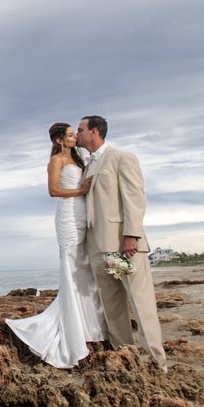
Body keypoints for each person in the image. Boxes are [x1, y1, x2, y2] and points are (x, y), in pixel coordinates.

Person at [5, 122, 108, 368]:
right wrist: (80, 189)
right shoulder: (56, 161)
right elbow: (53, 191)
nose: (75, 138)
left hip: (83, 214)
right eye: (71, 135)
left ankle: (88, 325)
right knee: (72, 268)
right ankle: (73, 332)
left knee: (84, 269)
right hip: (68, 215)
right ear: (60, 140)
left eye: (75, 134)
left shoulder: (80, 158)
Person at [76, 115, 167, 372]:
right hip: (96, 245)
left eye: (81, 129)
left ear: (95, 132)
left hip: (123, 243)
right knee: (112, 304)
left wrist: (131, 236)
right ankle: (125, 356)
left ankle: (156, 362)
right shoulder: (87, 165)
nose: (78, 134)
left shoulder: (121, 157)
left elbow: (134, 197)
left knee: (141, 302)